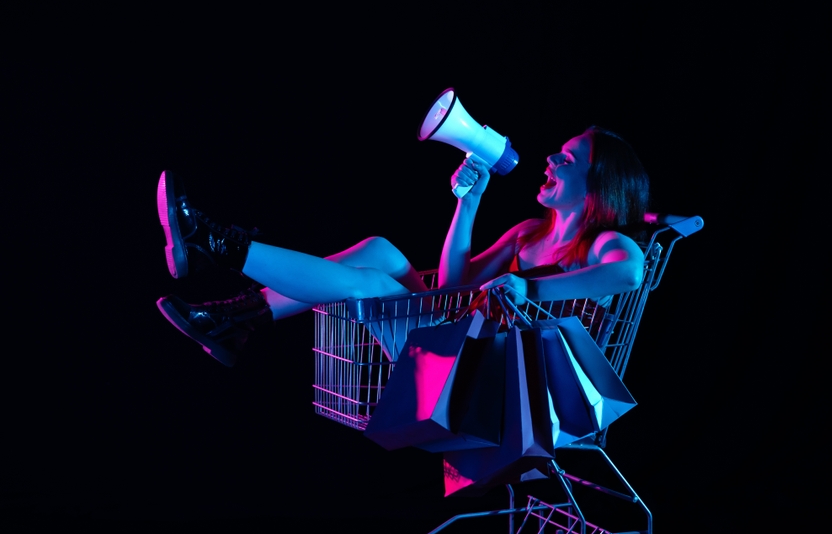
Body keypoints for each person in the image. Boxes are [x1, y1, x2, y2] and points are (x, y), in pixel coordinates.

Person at [156, 126, 649, 366]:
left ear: (598, 182)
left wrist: (527, 289)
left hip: (496, 376)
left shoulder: (604, 241)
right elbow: (455, 285)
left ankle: (216, 244)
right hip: (461, 347)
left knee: (371, 283)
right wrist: (469, 202)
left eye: (567, 157)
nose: (551, 158)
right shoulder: (527, 234)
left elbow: (629, 273)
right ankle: (236, 319)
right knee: (381, 250)